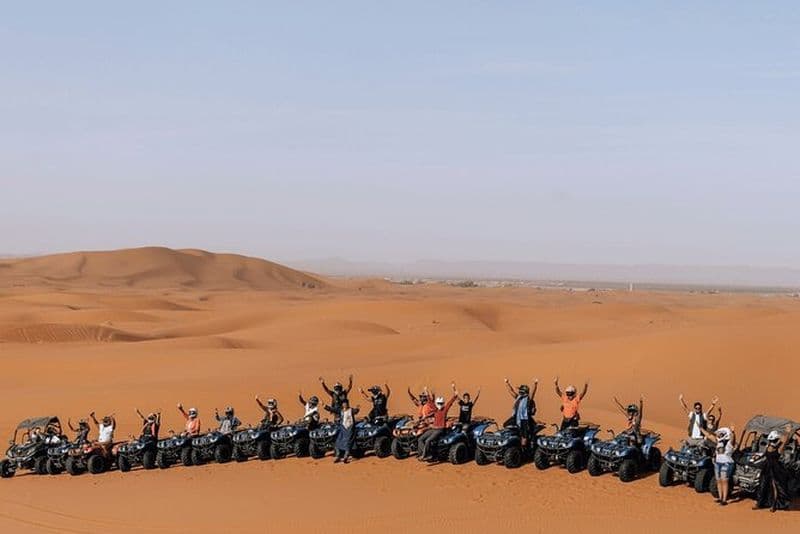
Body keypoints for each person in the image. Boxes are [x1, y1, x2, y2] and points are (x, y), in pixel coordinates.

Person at [755, 424, 794, 512]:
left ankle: (774, 505)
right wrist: (758, 458)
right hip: (766, 468)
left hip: (775, 469)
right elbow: (765, 455)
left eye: (774, 440)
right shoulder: (768, 447)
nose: (772, 441)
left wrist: (787, 432)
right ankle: (760, 503)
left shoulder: (779, 448)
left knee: (775, 487)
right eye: (771, 440)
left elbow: (785, 441)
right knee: (763, 485)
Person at [417, 383, 459, 461]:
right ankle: (425, 453)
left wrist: (454, 390)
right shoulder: (435, 409)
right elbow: (429, 401)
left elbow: (451, 402)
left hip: (440, 430)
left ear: (443, 404)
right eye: (438, 403)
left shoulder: (445, 410)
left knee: (428, 440)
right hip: (433, 429)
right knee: (420, 439)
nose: (440, 405)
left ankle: (427, 455)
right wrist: (426, 391)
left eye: (441, 403)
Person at [700, 424, 736, 506]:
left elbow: (733, 438)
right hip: (718, 463)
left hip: (726, 463)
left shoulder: (729, 443)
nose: (719, 435)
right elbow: (709, 435)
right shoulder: (718, 442)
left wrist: (733, 432)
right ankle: (720, 498)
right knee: (719, 481)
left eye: (720, 434)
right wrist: (701, 429)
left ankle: (724, 499)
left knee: (724, 481)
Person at [504, 378, 538, 447]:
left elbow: (532, 393)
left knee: (524, 436)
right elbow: (511, 391)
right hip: (515, 417)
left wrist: (535, 384)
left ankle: (523, 449)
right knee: (506, 425)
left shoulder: (528, 399)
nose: (519, 391)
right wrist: (507, 383)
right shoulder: (518, 397)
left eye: (521, 390)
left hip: (524, 419)